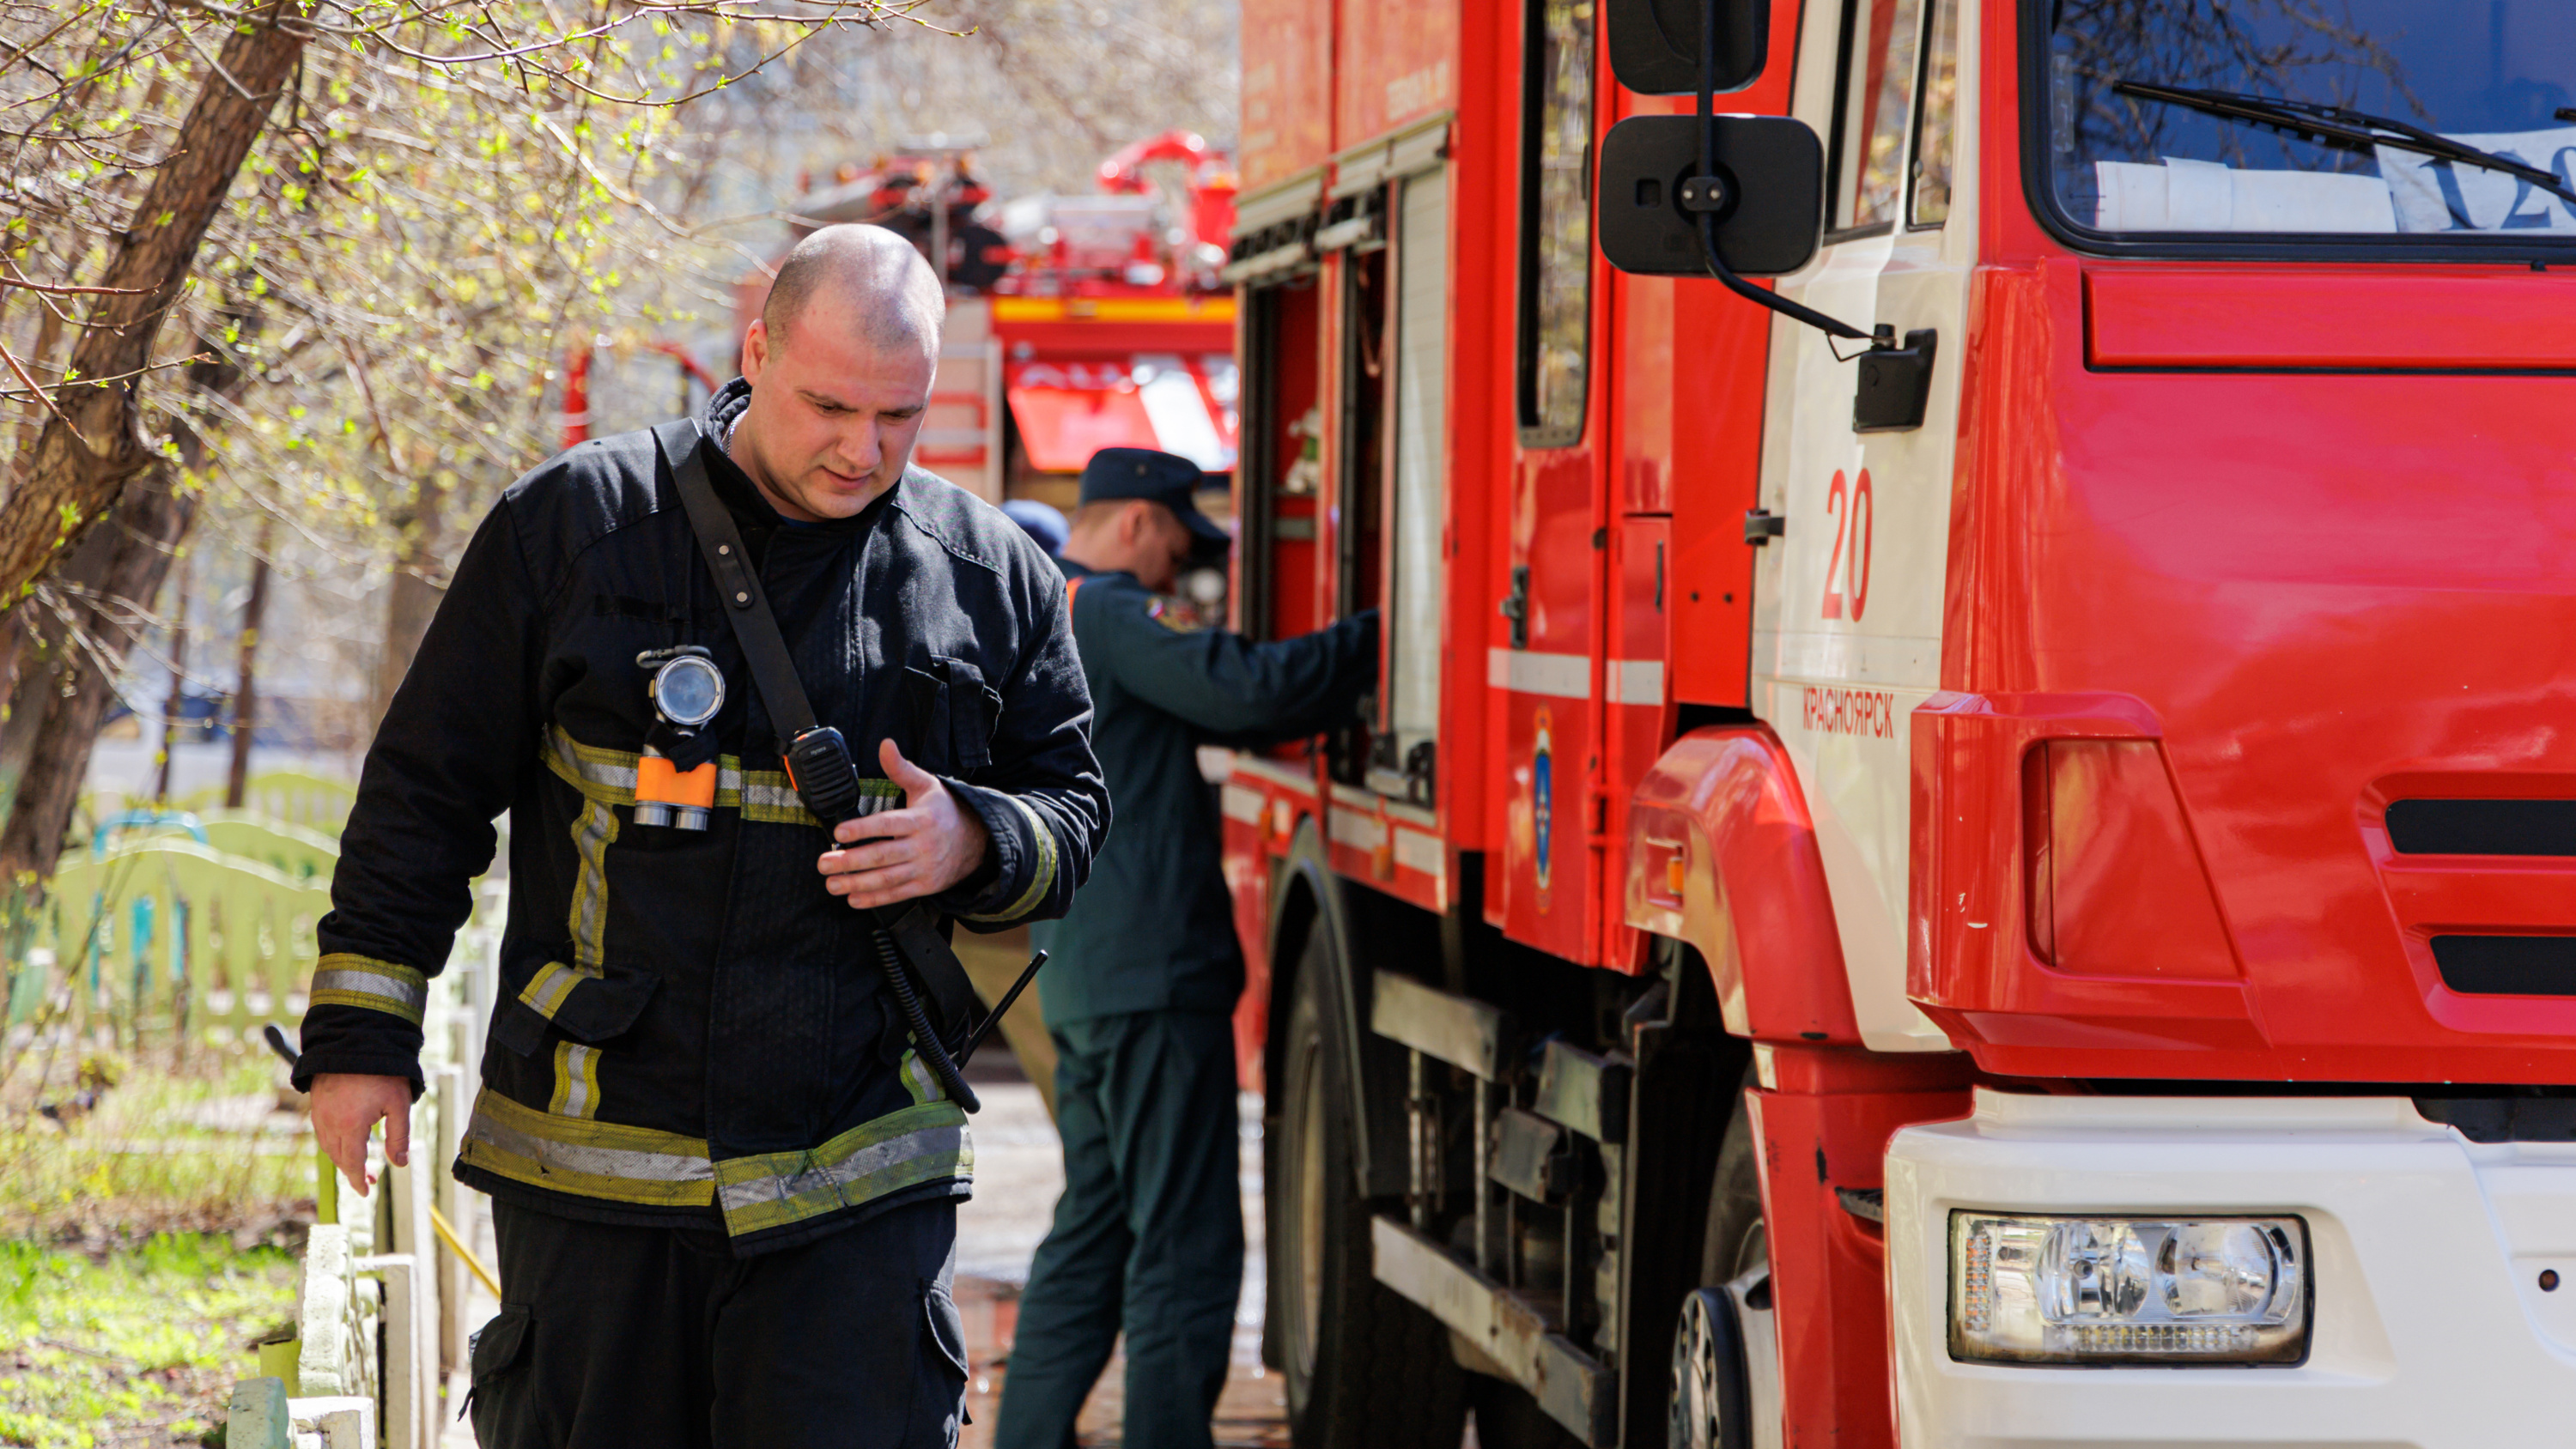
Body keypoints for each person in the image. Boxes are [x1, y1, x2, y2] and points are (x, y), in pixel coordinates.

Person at [293, 223, 1109, 1449]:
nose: (863, 449)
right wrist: (364, 1035)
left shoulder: (987, 575)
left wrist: (972, 841)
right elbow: (426, 795)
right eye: (830, 405)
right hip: (600, 1180)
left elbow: (1076, 810)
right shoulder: (573, 528)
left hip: (858, 1190)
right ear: (757, 350)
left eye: (900, 417)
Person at [994, 447, 1376, 1449]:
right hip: (1153, 978)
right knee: (1184, 1243)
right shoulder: (1114, 612)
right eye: (1177, 541)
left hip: (1082, 971)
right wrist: (1387, 636)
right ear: (1134, 524)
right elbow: (1248, 690)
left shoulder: (1042, 616)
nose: (1183, 568)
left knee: (1096, 1231)